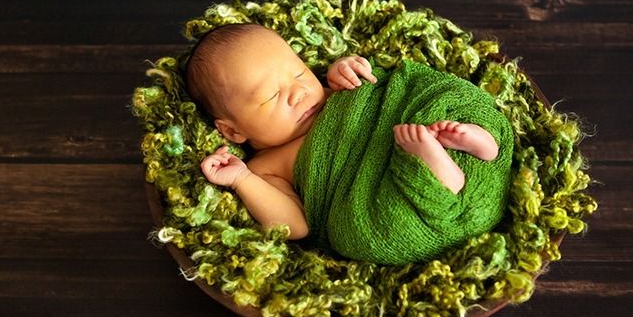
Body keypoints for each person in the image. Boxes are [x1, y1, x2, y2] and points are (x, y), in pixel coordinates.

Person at [185, 23, 499, 240]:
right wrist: (241, 180)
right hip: (372, 184)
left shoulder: (326, 94)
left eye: (300, 73)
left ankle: (471, 141)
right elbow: (295, 227)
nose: (299, 93)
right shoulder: (263, 169)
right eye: (270, 96)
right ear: (233, 131)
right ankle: (441, 165)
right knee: (371, 223)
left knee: (428, 102)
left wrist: (345, 69)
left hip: (396, 127)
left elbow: (372, 90)